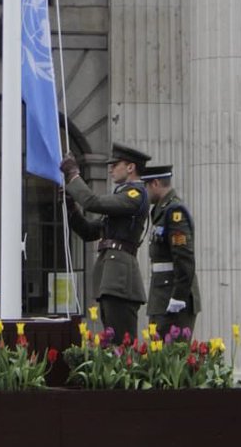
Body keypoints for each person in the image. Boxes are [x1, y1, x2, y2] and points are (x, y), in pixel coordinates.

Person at [59, 142, 150, 343]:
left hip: (120, 279)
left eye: (115, 164)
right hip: (111, 278)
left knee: (121, 344)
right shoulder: (122, 197)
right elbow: (89, 232)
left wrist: (74, 175)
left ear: (130, 167)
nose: (110, 168)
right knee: (112, 343)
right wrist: (71, 208)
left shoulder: (134, 195)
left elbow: (93, 203)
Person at [143, 164, 200, 340]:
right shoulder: (161, 210)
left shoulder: (174, 211)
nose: (144, 192)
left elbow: (184, 258)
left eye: (145, 186)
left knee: (172, 359)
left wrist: (179, 297)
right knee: (158, 359)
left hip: (172, 298)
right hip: (161, 297)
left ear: (155, 183)